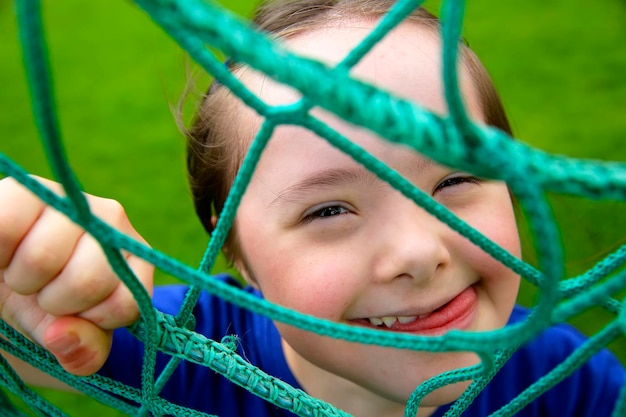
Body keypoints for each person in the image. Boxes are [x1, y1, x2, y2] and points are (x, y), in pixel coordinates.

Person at [0, 1, 623, 416]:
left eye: (456, 177)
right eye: (328, 211)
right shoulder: (185, 347)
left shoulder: (571, 381)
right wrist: (33, 283)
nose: (419, 253)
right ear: (235, 252)